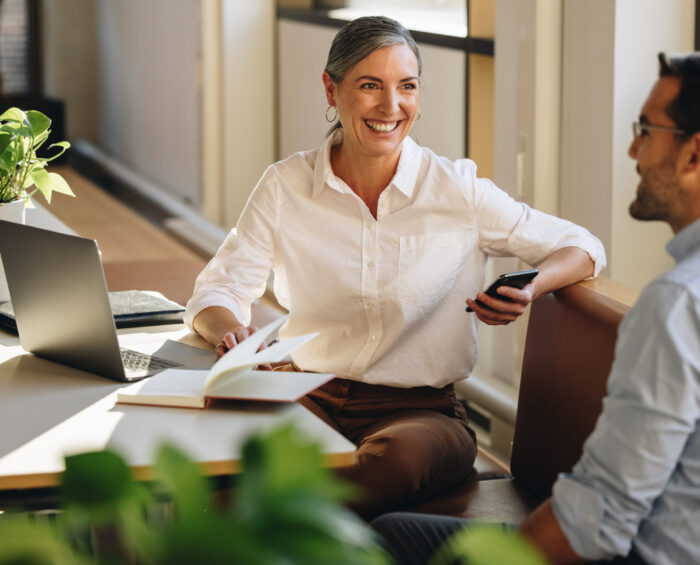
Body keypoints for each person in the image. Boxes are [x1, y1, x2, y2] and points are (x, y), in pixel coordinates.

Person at [184, 16, 605, 519]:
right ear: (331, 88)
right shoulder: (285, 186)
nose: (391, 106)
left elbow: (581, 246)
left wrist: (532, 287)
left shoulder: (457, 191)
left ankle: (283, 522)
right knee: (214, 435)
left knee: (394, 461)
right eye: (369, 86)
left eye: (406, 87)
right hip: (305, 391)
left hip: (420, 415)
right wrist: (231, 332)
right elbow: (218, 289)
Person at [371, 51, 700, 563]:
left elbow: (596, 521)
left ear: (692, 155)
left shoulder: (677, 304)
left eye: (646, 129)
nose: (633, 148)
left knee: (388, 536)